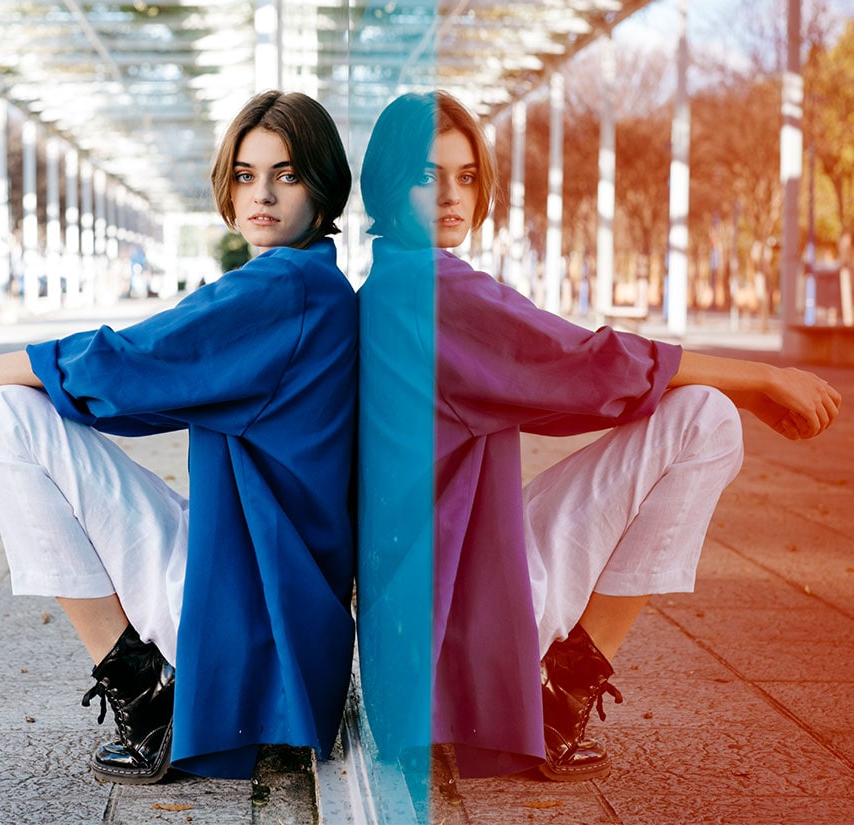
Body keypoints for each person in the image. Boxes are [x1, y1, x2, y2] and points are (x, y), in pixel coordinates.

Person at [0, 91, 358, 783]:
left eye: (287, 173)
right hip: (265, 595)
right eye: (245, 173)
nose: (261, 193)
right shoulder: (310, 284)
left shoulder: (285, 288)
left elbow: (120, 364)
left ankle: (146, 690)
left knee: (0, 422)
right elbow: (135, 392)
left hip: (254, 615)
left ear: (323, 183)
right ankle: (148, 678)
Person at [358, 91, 841, 781]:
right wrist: (758, 378)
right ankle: (563, 691)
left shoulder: (394, 283)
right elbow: (586, 363)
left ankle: (556, 683)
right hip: (456, 624)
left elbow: (565, 386)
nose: (453, 194)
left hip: (416, 622)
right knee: (707, 419)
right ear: (387, 179)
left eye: (466, 176)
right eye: (428, 174)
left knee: (693, 408)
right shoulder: (431, 291)